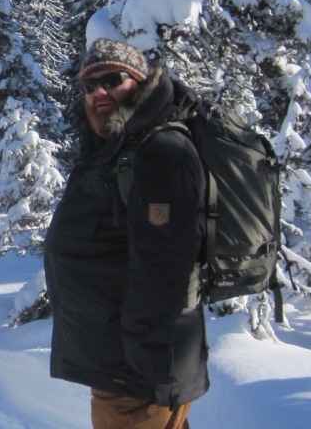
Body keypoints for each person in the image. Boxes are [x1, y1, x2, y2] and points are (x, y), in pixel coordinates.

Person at [44, 39, 209, 429]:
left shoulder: (159, 151)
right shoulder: (119, 148)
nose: (98, 92)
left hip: (137, 369)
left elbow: (165, 265)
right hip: (121, 359)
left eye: (112, 79)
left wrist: (146, 361)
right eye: (89, 85)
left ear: (138, 82)